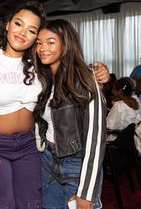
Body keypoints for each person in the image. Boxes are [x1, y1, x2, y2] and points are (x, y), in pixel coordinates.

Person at [0, 2, 109, 209]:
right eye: (18, 24)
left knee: (31, 203)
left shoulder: (37, 64)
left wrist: (95, 70)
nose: (23, 33)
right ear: (7, 24)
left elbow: (67, 69)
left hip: (29, 147)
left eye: (31, 30)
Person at [33, 19, 107, 209]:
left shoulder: (84, 79)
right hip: (49, 159)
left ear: (66, 44)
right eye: (39, 43)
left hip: (77, 164)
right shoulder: (45, 77)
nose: (42, 48)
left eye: (51, 42)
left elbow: (95, 139)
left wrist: (87, 191)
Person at [106, 77, 141, 141]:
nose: (112, 91)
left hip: (118, 140)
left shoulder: (119, 105)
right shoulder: (136, 101)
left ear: (120, 91)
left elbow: (109, 125)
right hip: (133, 140)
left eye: (114, 89)